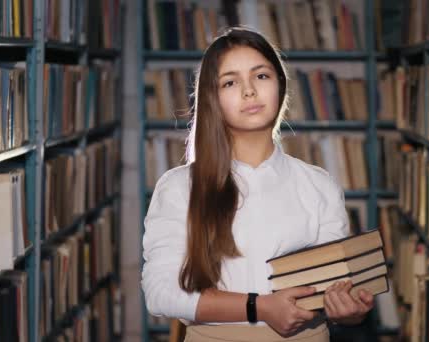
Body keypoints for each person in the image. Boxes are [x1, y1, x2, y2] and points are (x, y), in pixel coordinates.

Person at [141, 27, 374, 342]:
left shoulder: (318, 183)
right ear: (212, 97)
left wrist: (348, 310)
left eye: (261, 76)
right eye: (230, 82)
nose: (249, 91)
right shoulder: (178, 187)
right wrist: (259, 307)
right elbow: (160, 294)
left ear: (280, 84)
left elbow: (333, 285)